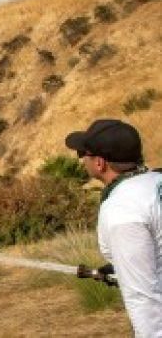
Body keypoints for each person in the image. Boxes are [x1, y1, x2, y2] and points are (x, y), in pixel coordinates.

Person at [66, 119, 162, 337]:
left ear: (100, 163)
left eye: (83, 155)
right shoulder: (156, 180)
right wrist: (120, 267)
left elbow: (143, 297)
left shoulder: (122, 211)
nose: (82, 161)